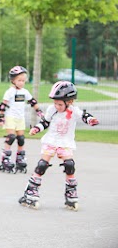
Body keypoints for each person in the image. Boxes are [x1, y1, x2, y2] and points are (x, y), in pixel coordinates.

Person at [19, 81, 99, 210]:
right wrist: (36, 129)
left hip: (65, 142)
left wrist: (91, 120)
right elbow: (45, 122)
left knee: (70, 165)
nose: (56, 106)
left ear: (70, 102)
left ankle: (71, 194)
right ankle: (30, 192)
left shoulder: (73, 110)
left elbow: (84, 116)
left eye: (60, 104)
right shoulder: (52, 110)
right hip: (51, 141)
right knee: (42, 165)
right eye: (55, 103)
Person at [0, 66, 44, 173]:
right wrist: (1, 118)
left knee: (21, 138)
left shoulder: (25, 92)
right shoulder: (10, 92)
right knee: (11, 137)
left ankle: (20, 159)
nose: (22, 83)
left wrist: (40, 113)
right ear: (13, 80)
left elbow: (33, 102)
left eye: (23, 80)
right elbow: (3, 105)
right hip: (10, 117)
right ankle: (5, 159)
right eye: (19, 80)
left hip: (20, 118)